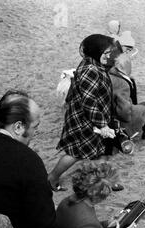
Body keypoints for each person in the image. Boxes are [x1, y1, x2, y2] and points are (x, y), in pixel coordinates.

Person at [0, 90, 60, 228]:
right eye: (35, 127)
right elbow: (43, 222)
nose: (35, 133)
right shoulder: (28, 161)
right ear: (18, 127)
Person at [48, 34, 124, 192]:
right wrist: (102, 125)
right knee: (75, 153)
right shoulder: (91, 70)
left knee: (101, 150)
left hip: (96, 118)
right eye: (107, 53)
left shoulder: (94, 62)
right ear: (96, 52)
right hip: (85, 120)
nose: (110, 56)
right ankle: (52, 178)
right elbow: (89, 103)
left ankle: (105, 180)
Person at [108, 37, 145, 146]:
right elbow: (125, 112)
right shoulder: (123, 84)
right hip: (117, 118)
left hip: (111, 113)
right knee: (144, 110)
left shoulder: (111, 75)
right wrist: (134, 110)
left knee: (144, 106)